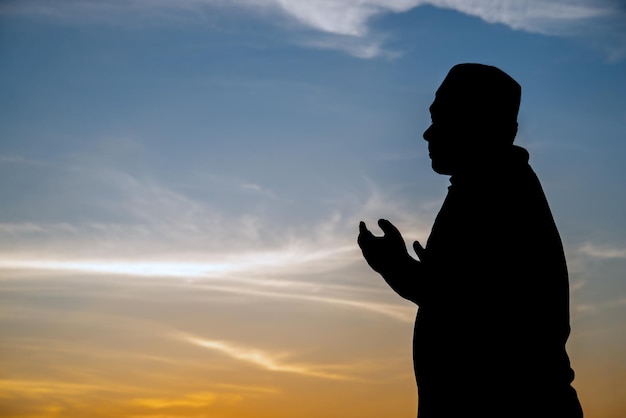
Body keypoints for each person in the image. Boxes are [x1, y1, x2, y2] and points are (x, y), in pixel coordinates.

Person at [358, 63, 583, 418]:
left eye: (443, 119)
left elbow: (475, 307)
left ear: (481, 125)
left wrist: (398, 269)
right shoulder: (487, 187)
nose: (427, 134)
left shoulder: (498, 191)